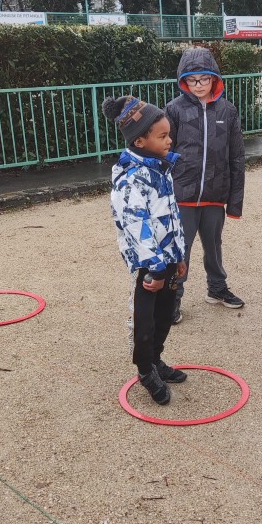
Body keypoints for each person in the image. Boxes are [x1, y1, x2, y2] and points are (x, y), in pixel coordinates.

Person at [105, 94, 188, 405]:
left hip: (167, 258)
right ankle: (144, 369)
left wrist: (179, 256)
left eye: (169, 134)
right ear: (140, 141)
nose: (170, 141)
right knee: (146, 319)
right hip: (149, 265)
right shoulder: (130, 179)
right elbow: (137, 226)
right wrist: (153, 266)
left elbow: (171, 214)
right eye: (163, 136)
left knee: (166, 313)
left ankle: (156, 360)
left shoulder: (159, 169)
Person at [164, 47, 245, 324]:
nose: (198, 85)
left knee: (214, 246)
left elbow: (237, 157)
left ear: (214, 79)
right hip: (182, 196)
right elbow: (164, 150)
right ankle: (173, 297)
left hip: (214, 195)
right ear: (183, 81)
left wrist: (234, 202)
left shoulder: (228, 110)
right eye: (192, 80)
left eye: (204, 79)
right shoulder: (173, 109)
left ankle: (217, 288)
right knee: (180, 250)